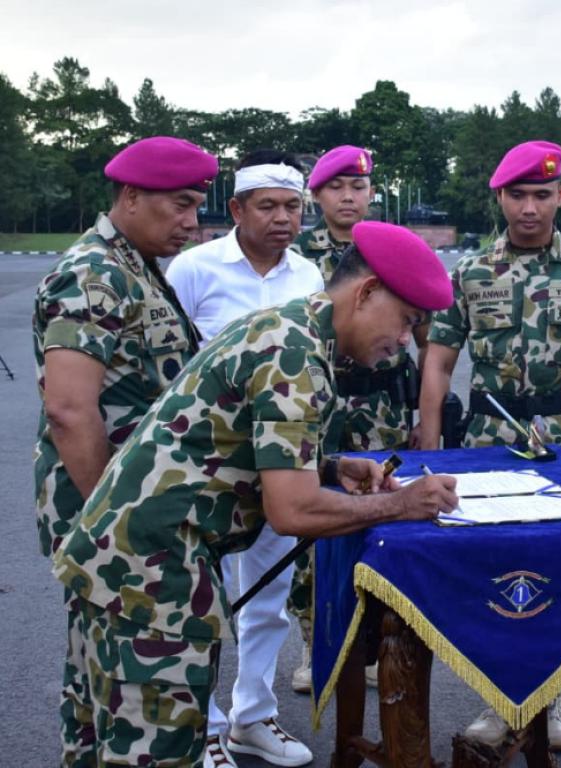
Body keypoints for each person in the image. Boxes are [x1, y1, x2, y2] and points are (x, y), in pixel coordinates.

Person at [52, 221, 458, 768]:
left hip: (119, 563)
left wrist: (331, 466)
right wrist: (403, 503)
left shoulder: (284, 329)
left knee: (95, 743)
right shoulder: (297, 356)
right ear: (365, 293)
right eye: (407, 320)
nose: (405, 339)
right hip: (153, 579)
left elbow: (228, 441)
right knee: (155, 752)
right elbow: (291, 511)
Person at [418, 139, 561, 752]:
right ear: (500, 197)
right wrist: (430, 442)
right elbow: (438, 362)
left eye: (543, 194)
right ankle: (498, 698)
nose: (530, 207)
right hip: (487, 443)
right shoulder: (468, 272)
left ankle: (551, 699)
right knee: (494, 567)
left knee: (558, 567)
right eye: (519, 194)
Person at [32, 136, 216, 767]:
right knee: (145, 701)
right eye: (182, 206)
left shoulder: (134, 265)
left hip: (124, 512)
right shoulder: (96, 273)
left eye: (198, 207)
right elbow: (70, 407)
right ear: (132, 197)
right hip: (119, 522)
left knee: (102, 690)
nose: (193, 223)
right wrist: (114, 524)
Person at [165, 150, 324, 768]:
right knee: (198, 600)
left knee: (268, 598)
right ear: (235, 209)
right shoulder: (194, 270)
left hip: (279, 465)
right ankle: (202, 727)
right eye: (268, 206)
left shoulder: (307, 277)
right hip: (202, 467)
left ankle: (252, 717)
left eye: (292, 207)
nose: (283, 218)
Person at [289, 145, 430, 693]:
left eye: (359, 187)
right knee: (314, 520)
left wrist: (421, 416)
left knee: (380, 509)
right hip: (315, 406)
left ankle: (375, 636)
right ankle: (314, 639)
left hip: (383, 407)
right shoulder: (299, 257)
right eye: (336, 187)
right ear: (318, 195)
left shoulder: (398, 250)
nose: (349, 197)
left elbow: (420, 338)